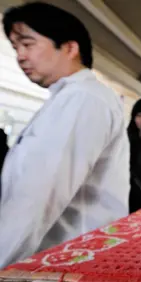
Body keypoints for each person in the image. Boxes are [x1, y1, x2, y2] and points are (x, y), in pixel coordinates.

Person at [0, 2, 129, 268]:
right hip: (62, 260)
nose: (21, 56)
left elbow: (37, 197)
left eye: (28, 44)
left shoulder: (83, 99)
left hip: (69, 263)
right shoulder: (66, 99)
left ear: (70, 47)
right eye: (16, 48)